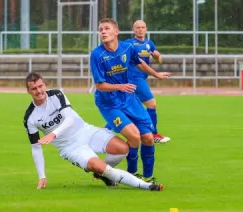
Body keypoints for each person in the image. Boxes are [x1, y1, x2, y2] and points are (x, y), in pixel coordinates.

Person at [23, 72, 163, 191]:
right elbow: (36, 148)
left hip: (86, 131)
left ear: (44, 85)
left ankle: (102, 174)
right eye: (34, 88)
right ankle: (147, 186)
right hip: (70, 148)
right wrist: (42, 176)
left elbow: (69, 119)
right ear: (28, 91)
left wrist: (53, 134)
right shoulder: (30, 117)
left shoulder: (57, 94)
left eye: (40, 86)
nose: (39, 91)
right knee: (102, 168)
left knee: (123, 148)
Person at [90, 18, 171, 183]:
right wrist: (120, 86)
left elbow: (139, 63)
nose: (103, 32)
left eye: (106, 28)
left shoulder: (127, 47)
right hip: (109, 103)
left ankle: (148, 176)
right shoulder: (97, 55)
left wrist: (156, 74)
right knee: (134, 136)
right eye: (101, 29)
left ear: (116, 32)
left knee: (148, 137)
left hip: (128, 98)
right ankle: (132, 174)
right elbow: (99, 85)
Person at [124, 20, 170, 143]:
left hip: (141, 77)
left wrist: (157, 56)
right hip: (134, 78)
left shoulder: (150, 43)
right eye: (138, 27)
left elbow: (159, 60)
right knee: (151, 104)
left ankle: (106, 130)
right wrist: (156, 75)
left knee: (128, 107)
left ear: (146, 29)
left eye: (142, 27)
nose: (140, 29)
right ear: (133, 30)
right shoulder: (129, 44)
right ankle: (153, 134)